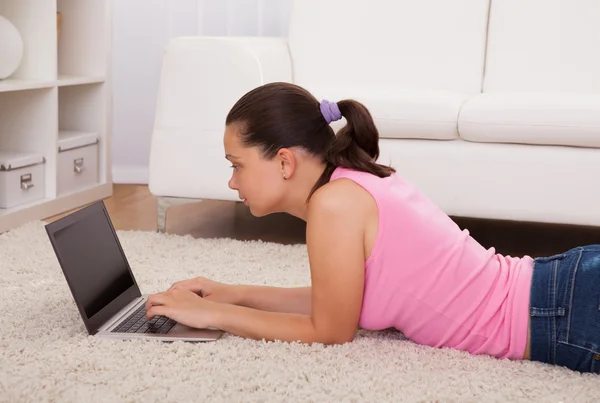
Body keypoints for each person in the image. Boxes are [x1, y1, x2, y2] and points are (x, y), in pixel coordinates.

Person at [146, 82, 600, 374]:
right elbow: (341, 302)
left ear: (284, 161)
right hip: (560, 292)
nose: (231, 181)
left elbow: (329, 330)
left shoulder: (335, 205)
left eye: (237, 165)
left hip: (562, 311)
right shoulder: (346, 184)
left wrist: (214, 315)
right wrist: (233, 292)